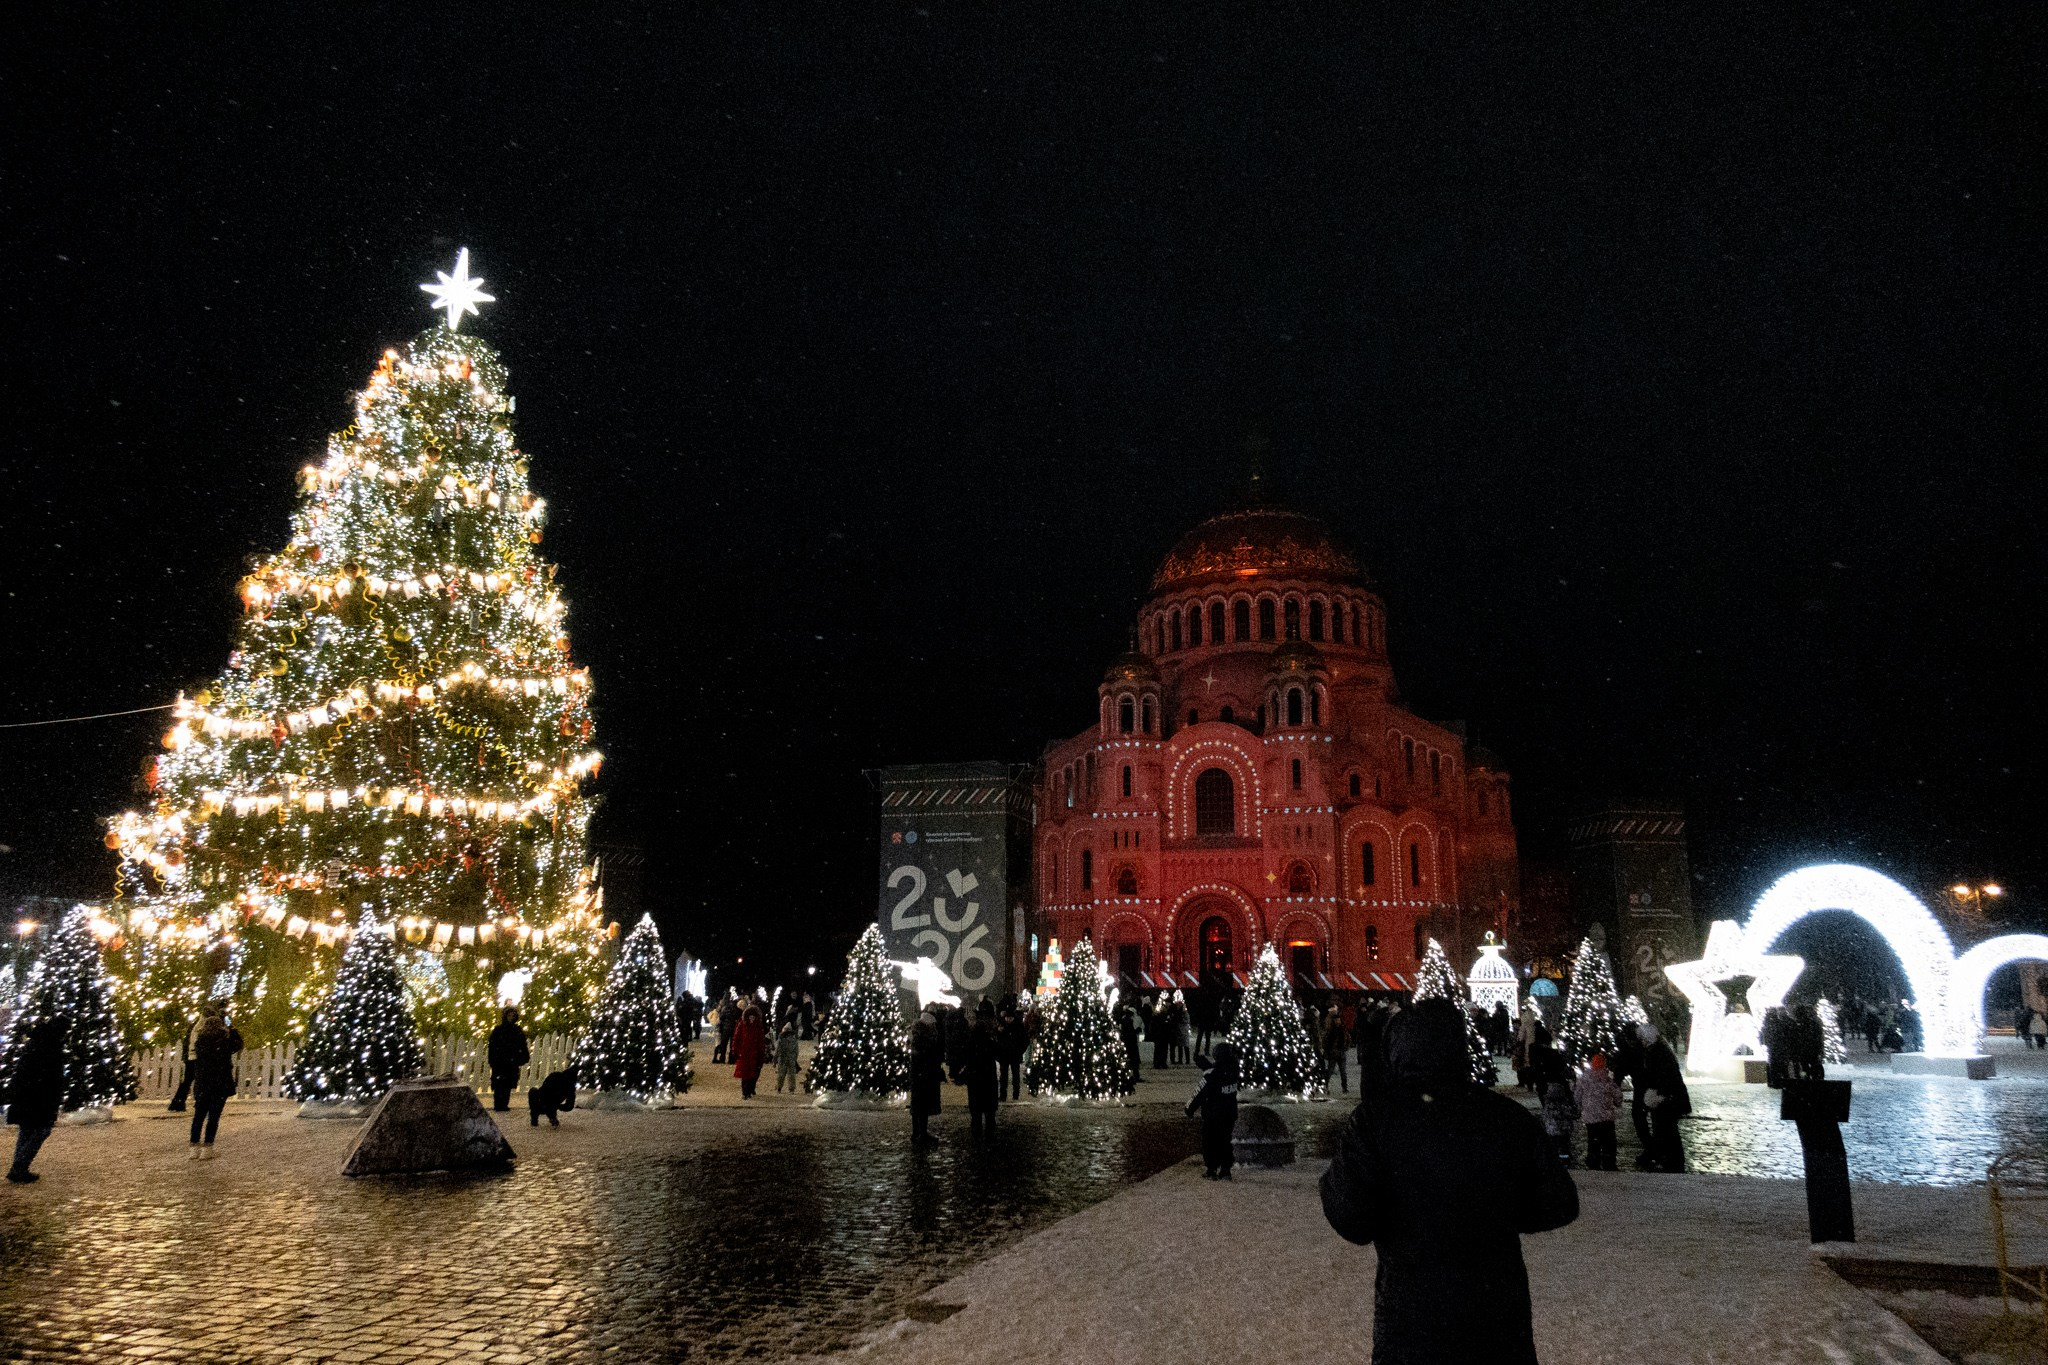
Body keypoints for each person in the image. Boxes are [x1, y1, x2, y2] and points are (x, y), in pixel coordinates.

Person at [1320, 999, 1579, 1363]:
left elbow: (1352, 1219)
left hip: (1412, 1317)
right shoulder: (1507, 1118)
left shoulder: (1376, 1122)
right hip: (1496, 1313)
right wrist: (1494, 1212)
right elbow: (1559, 1202)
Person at [5, 1014, 68, 1184]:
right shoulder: (51, 1046)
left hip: (27, 1094)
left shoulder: (37, 1041)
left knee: (26, 1131)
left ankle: (19, 1168)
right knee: (41, 1130)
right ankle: (19, 1167)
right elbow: (52, 1076)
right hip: (39, 1096)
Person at [1631, 1022, 1691, 1172]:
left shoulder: (1657, 1053)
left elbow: (1661, 1076)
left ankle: (1671, 1161)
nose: (1642, 1042)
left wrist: (1657, 1092)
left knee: (1666, 1129)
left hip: (1665, 1097)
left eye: (1643, 1039)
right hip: (1666, 1096)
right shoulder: (1659, 1050)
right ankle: (1670, 1159)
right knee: (1666, 1129)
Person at [187, 1002, 243, 1159]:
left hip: (203, 1083)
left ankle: (194, 1147)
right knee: (213, 1117)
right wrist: (230, 1026)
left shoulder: (200, 1042)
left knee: (199, 1115)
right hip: (220, 1084)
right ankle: (207, 1147)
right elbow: (238, 1044)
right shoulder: (224, 1042)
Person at [1184, 1042, 1240, 1180]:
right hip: (1229, 1114)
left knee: (1210, 1141)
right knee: (1225, 1140)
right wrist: (1207, 1066)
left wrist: (1189, 1109)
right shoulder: (1234, 1070)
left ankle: (1211, 1169)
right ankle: (1226, 1169)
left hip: (1212, 1115)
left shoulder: (1211, 1075)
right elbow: (1219, 1073)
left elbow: (1200, 1092)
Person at [1574, 1053, 1623, 1171]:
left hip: (1591, 1118)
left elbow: (1577, 1097)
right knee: (1609, 1142)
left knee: (1593, 1141)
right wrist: (1617, 1103)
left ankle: (1593, 1161)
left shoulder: (1583, 1080)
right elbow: (1618, 1096)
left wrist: (1580, 1108)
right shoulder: (1607, 1080)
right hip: (1606, 1118)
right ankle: (1609, 1162)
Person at [1536, 1045, 1578, 1166]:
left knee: (1554, 1142)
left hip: (1552, 1124)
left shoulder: (1545, 1078)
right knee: (1564, 1143)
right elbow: (1570, 1099)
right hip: (1564, 1124)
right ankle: (1564, 1159)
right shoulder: (1562, 1079)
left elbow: (1541, 1093)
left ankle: (1554, 1160)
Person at [965, 999, 1001, 1144]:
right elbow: (997, 1052)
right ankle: (989, 1132)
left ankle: (976, 1131)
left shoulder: (973, 1033)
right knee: (989, 1107)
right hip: (987, 1073)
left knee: (976, 1107)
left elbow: (967, 1052)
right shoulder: (989, 1034)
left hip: (975, 1073)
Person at [909, 1006, 943, 1149]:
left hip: (920, 1076)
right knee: (922, 1106)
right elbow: (927, 1058)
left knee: (918, 1105)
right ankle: (921, 1133)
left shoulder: (918, 1038)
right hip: (924, 1077)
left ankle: (917, 1132)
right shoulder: (924, 1040)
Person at [487, 1004, 530, 1113]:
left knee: (507, 1085)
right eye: (509, 1015)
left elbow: (522, 1045)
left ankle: (504, 1104)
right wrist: (493, 1059)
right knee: (499, 1084)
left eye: (513, 1015)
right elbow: (492, 1046)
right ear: (505, 1016)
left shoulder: (517, 1030)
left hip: (511, 1062)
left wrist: (523, 1056)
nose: (511, 1017)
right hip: (500, 1062)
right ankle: (498, 1105)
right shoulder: (499, 1030)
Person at [732, 1006, 765, 1099]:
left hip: (755, 1054)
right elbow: (736, 1038)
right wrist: (735, 1050)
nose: (752, 1018)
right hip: (744, 1053)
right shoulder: (742, 1025)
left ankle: (750, 1089)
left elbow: (761, 1041)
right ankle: (745, 1092)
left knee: (754, 1074)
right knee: (745, 1074)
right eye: (750, 1016)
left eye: (753, 1017)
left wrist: (762, 1052)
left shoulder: (758, 1026)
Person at [997, 1003, 1028, 1101]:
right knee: (1003, 1077)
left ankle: (1015, 1095)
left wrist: (1020, 1051)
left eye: (1010, 1018)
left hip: (1014, 1055)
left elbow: (1025, 1040)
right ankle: (1003, 1095)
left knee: (1015, 1076)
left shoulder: (1018, 1026)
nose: (1008, 1020)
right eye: (1007, 1018)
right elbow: (997, 1040)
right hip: (1004, 1055)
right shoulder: (1002, 1026)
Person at [1324, 1009, 1351, 1094]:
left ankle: (1344, 1087)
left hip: (1340, 1052)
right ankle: (1326, 1086)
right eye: (1336, 1020)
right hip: (1334, 1053)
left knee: (1342, 1072)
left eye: (1338, 1020)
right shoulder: (1331, 1030)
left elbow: (1348, 1039)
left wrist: (1345, 1047)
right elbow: (1326, 1041)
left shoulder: (1342, 1029)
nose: (1337, 1021)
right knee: (1330, 1071)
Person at [773, 1020, 802, 1093]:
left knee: (781, 1074)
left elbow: (777, 1050)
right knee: (791, 1075)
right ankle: (791, 1089)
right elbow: (796, 1050)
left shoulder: (781, 1039)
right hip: (791, 1059)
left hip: (782, 1058)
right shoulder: (794, 1040)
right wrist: (795, 1058)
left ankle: (779, 1087)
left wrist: (775, 1059)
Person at [1119, 1003, 1144, 1082]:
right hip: (1131, 1043)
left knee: (1127, 1060)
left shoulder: (1123, 1020)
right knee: (1134, 1061)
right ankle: (1135, 1076)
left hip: (1126, 1042)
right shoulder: (1129, 1021)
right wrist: (1137, 1030)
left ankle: (1126, 1076)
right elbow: (1131, 1032)